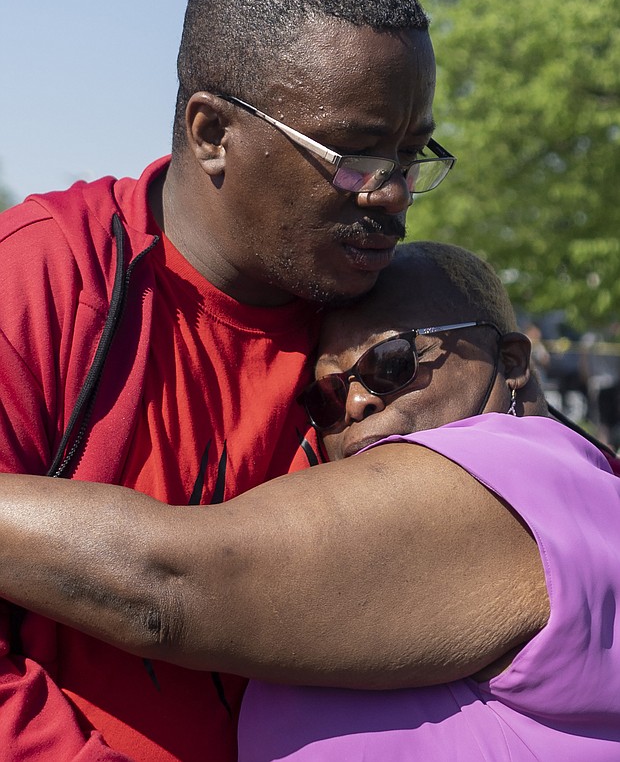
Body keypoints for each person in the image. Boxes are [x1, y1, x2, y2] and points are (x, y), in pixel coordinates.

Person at [0, 0, 451, 761]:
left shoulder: (401, 339)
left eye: (412, 152)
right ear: (211, 133)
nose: (393, 194)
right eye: (353, 154)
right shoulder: (40, 282)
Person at [0, 243, 618, 760]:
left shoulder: (515, 480)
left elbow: (164, 584)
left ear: (509, 362)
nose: (354, 406)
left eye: (390, 362)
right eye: (325, 396)